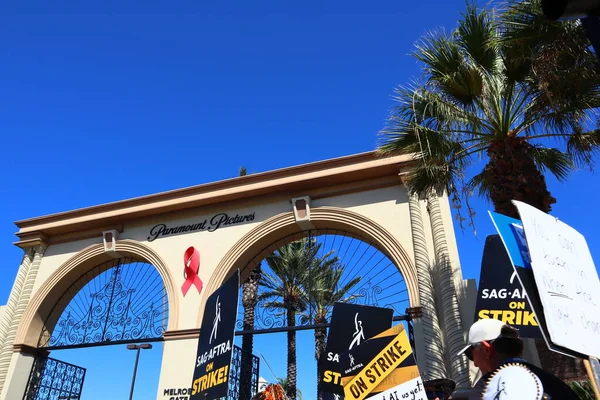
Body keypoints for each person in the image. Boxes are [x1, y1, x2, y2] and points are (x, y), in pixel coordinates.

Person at [457, 319, 579, 400]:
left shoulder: (486, 390)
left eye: (470, 354)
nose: (475, 364)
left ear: (486, 350)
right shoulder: (554, 384)